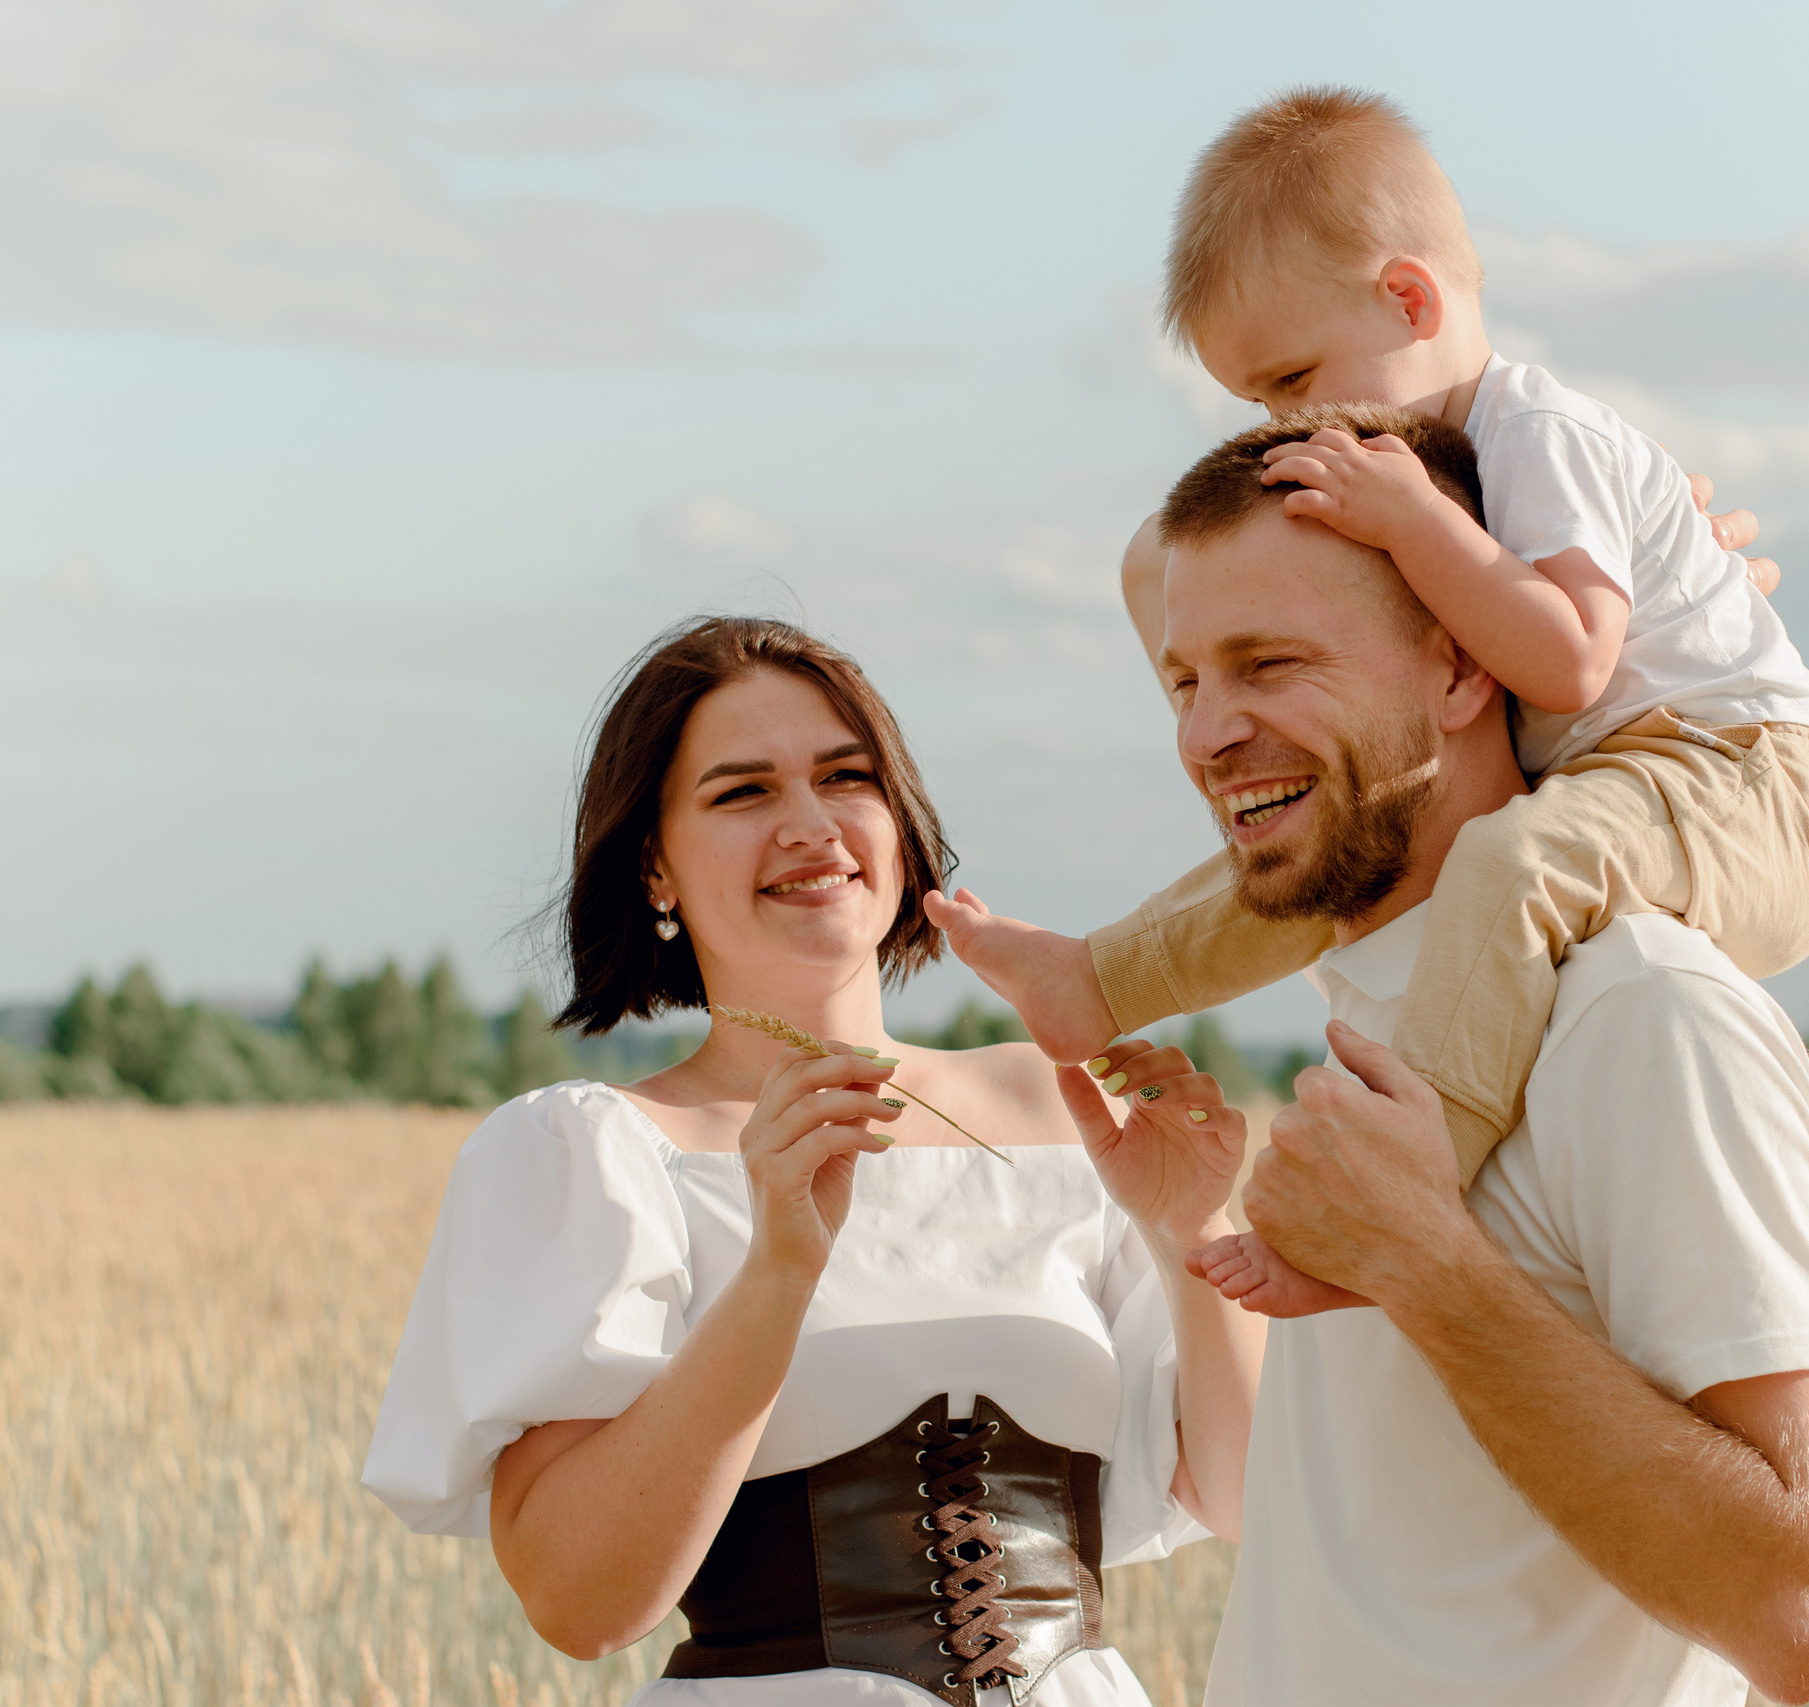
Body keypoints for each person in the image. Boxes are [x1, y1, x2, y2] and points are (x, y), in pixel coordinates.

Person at [936, 411, 1809, 1705]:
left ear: (1465, 668)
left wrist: (1428, 1264)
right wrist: (1190, 1232)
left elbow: (1802, 1610)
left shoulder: (1642, 1015)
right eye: (1185, 681)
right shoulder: (1371, 1020)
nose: (1208, 735)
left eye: (1271, 662)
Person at [936, 87, 1809, 1317]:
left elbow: (1574, 663)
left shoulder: (1540, 435)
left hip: (1739, 776)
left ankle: (1401, 1181)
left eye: (1293, 380)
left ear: (1410, 302)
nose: (1290, 425)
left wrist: (1415, 521)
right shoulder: (1463, 468)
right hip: (1627, 771)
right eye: (1259, 405)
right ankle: (1100, 980)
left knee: (1511, 863)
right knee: (1342, 843)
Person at [361, 617, 1263, 1707]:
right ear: (654, 863)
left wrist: (1193, 1235)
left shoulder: (1059, 1103)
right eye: (742, 794)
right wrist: (779, 1271)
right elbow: (581, 1606)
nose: (810, 825)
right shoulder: (595, 1155)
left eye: (847, 777)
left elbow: (1245, 1498)